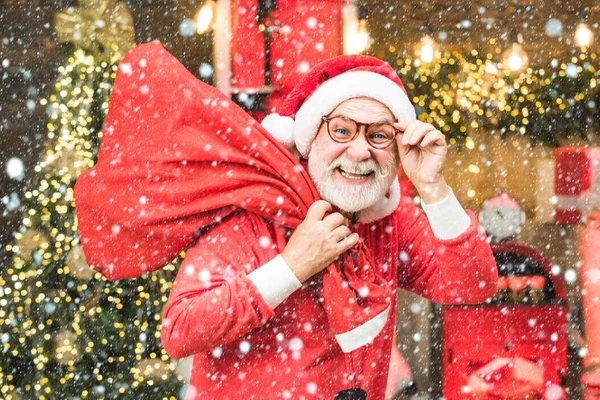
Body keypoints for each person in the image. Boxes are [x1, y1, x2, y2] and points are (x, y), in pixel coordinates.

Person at [73, 42, 497, 400]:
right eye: (343, 131)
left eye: (379, 135)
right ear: (310, 139)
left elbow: (473, 285)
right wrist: (292, 267)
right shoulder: (257, 215)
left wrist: (434, 188)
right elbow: (180, 329)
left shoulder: (390, 220)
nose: (360, 152)